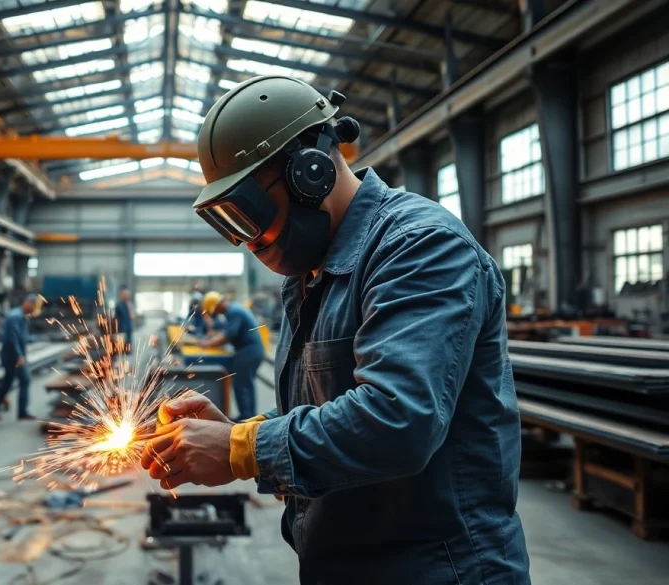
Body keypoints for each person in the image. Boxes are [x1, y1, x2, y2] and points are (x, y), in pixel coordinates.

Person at [140, 76, 529, 584]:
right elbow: (332, 406)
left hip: (438, 571)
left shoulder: (419, 247)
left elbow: (398, 421)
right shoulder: (315, 272)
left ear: (311, 172)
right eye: (230, 224)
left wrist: (242, 450)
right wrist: (242, 431)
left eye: (249, 215)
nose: (250, 242)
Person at [196, 291, 264, 421]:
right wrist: (210, 337)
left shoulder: (234, 312)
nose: (216, 313)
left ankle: (247, 419)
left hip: (248, 352)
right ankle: (248, 416)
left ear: (217, 306)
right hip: (249, 351)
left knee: (243, 385)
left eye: (215, 310)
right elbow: (222, 330)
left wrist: (207, 344)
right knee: (245, 385)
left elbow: (228, 335)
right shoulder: (233, 310)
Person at [0, 294, 38, 421]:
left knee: (7, 383)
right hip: (13, 356)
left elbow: (21, 337)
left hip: (13, 355)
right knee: (25, 380)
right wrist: (19, 355)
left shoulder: (21, 316)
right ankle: (22, 412)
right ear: (27, 303)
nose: (34, 310)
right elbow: (11, 339)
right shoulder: (16, 316)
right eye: (34, 306)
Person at [113, 285, 134, 354]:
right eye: (126, 295)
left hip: (128, 325)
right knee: (121, 340)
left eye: (128, 295)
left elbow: (131, 315)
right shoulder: (119, 305)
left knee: (128, 339)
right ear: (122, 295)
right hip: (121, 326)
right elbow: (117, 316)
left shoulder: (128, 304)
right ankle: (120, 351)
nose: (128, 296)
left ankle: (127, 350)